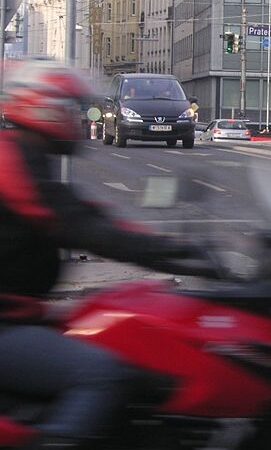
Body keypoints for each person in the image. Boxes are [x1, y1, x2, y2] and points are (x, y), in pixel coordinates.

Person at [0, 59, 211, 449]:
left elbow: (86, 216)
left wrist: (171, 249)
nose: (77, 118)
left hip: (21, 315)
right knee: (100, 374)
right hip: (6, 326)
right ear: (43, 107)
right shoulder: (11, 162)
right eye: (69, 108)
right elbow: (85, 227)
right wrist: (176, 254)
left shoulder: (25, 157)